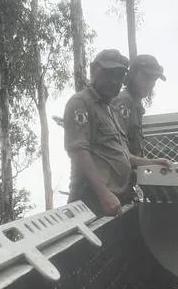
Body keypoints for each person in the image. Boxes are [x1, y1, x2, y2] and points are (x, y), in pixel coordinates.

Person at [63, 49, 170, 217]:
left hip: (113, 200)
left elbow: (122, 155)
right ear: (93, 71)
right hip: (91, 201)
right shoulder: (81, 103)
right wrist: (103, 194)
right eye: (108, 73)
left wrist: (152, 162)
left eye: (119, 76)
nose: (113, 81)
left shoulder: (108, 109)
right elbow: (78, 152)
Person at [111, 54, 166, 157]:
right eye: (146, 77)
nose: (150, 83)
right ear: (132, 75)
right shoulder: (124, 102)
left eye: (154, 79)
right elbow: (118, 148)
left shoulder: (135, 104)